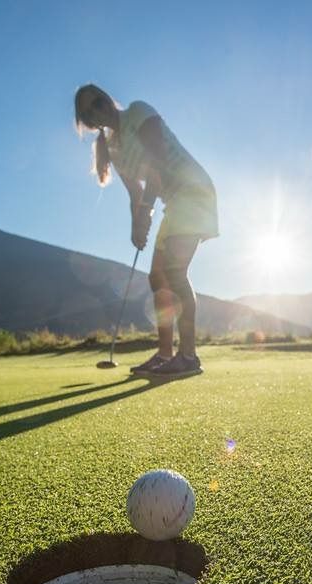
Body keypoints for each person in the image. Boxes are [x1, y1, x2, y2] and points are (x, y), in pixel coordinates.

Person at [75, 84, 218, 378]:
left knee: (175, 273)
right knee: (157, 278)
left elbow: (158, 162)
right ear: (89, 121)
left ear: (108, 98)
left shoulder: (138, 111)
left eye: (99, 102)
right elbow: (135, 194)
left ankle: (188, 356)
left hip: (193, 192)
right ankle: (165, 355)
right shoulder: (113, 150)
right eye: (90, 111)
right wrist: (136, 228)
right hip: (173, 202)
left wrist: (146, 211)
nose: (98, 110)